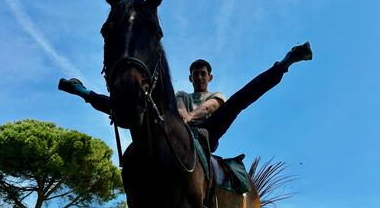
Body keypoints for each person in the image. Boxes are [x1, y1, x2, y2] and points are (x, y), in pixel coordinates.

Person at [58, 42, 312, 153]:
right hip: (178, 127)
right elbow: (178, 106)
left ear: (210, 77)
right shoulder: (181, 94)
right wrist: (181, 118)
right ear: (190, 78)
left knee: (238, 101)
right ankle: (83, 91)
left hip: (208, 129)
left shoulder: (216, 94)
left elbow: (210, 108)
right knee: (139, 104)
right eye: (195, 74)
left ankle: (286, 62)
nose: (199, 77)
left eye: (203, 73)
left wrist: (189, 118)